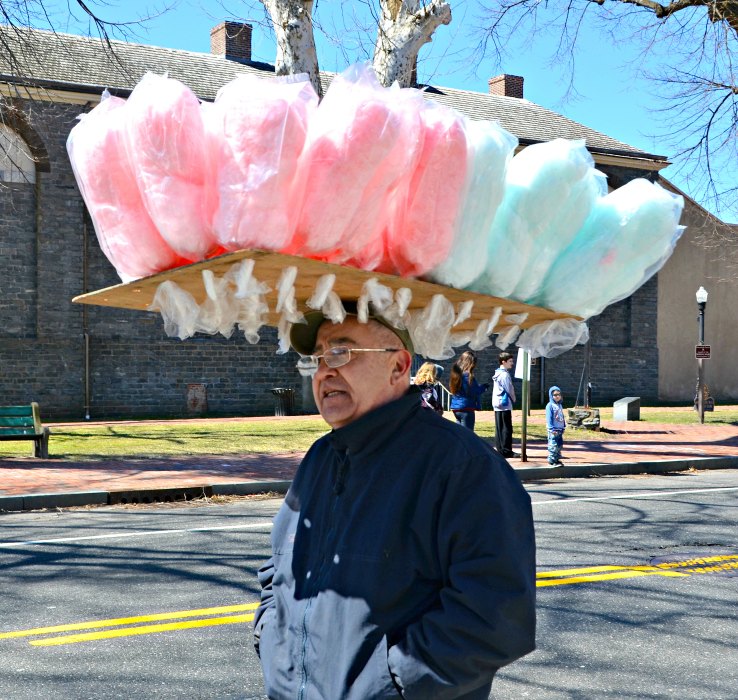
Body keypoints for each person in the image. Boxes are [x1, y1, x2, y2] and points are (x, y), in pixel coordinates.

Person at [254, 305, 536, 700]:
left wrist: (390, 685)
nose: (324, 371)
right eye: (317, 357)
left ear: (399, 366)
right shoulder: (319, 458)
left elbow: (496, 614)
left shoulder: (461, 467)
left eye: (341, 352)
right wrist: (270, 640)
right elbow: (278, 569)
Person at [448, 350, 488, 431]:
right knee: (468, 435)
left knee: (460, 433)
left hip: (456, 407)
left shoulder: (456, 374)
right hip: (466, 408)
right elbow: (473, 392)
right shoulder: (467, 376)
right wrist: (484, 387)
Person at [492, 352, 517, 458]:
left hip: (497, 404)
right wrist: (514, 398)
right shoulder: (504, 374)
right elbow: (509, 389)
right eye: (510, 361)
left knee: (499, 427)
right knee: (506, 428)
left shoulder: (498, 373)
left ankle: (500, 449)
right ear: (504, 362)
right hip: (504, 403)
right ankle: (506, 450)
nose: (512, 363)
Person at [546, 385, 566, 466]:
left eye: (559, 394)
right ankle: (552, 460)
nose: (557, 396)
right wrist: (551, 428)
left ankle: (557, 459)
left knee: (559, 445)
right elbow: (549, 418)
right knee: (553, 445)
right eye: (555, 395)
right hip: (553, 430)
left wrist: (563, 426)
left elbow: (562, 416)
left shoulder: (559, 405)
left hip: (560, 429)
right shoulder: (550, 405)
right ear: (551, 396)